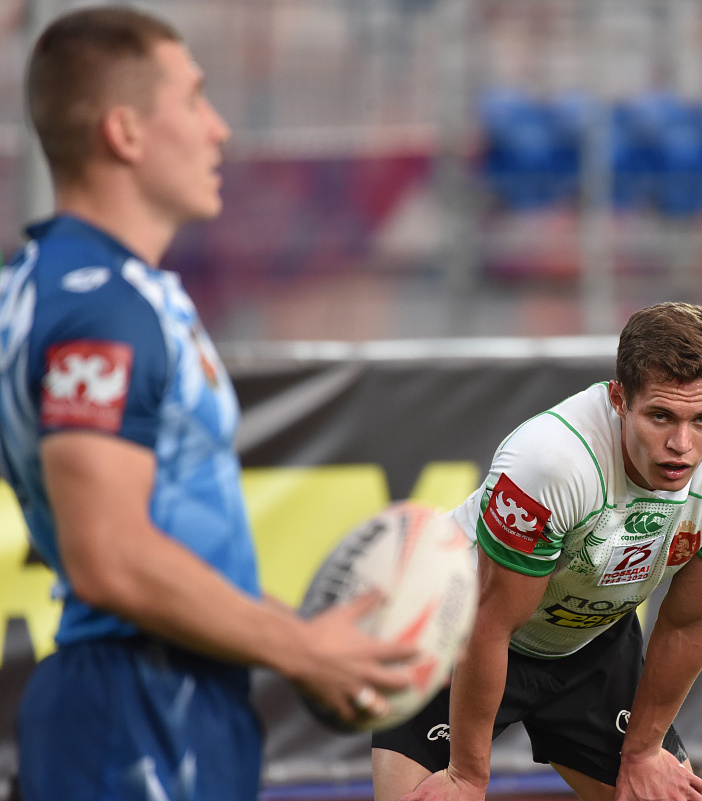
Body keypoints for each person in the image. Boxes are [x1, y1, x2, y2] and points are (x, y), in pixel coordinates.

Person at [0, 7, 414, 800]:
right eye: (193, 98)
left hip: (163, 699)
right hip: (135, 709)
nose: (218, 128)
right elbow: (108, 556)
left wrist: (307, 640)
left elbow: (156, 544)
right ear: (125, 132)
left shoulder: (64, 283)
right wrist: (304, 650)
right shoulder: (103, 306)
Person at [372, 302, 702, 801]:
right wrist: (467, 776)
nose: (682, 444)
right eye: (660, 416)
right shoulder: (551, 462)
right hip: (452, 626)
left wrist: (643, 751)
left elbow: (689, 621)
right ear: (618, 399)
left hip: (591, 633)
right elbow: (489, 624)